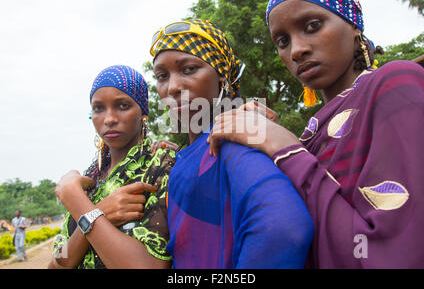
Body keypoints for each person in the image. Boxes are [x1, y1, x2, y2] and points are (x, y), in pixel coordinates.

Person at [207, 0, 424, 268]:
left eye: (312, 26)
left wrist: (283, 146)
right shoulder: (313, 133)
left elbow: (392, 250)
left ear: (353, 25)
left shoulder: (397, 82)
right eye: (282, 41)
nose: (296, 50)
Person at [150, 18, 314, 268]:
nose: (172, 87)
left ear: (223, 76)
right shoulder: (187, 155)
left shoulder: (231, 143)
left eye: (189, 69)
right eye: (162, 75)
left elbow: (284, 229)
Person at [49, 65, 175, 269]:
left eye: (123, 106)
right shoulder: (91, 179)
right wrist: (97, 212)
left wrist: (74, 197)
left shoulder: (159, 165)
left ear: (143, 112)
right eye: (99, 108)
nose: (109, 119)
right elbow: (59, 261)